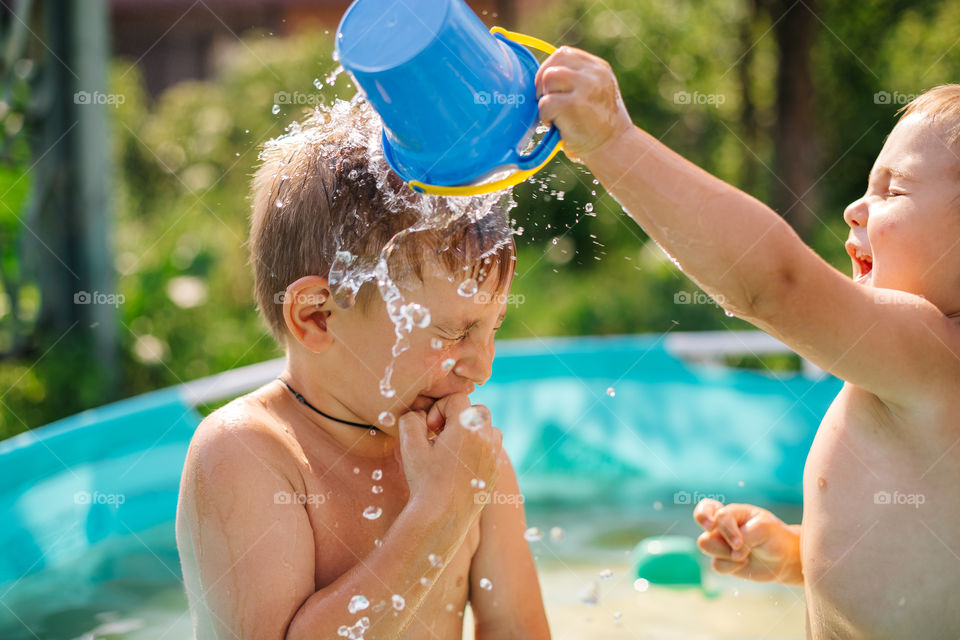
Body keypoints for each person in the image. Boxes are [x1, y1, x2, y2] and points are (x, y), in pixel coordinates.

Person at [536, 47, 960, 638]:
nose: (854, 208)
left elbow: (774, 284)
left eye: (892, 190)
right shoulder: (908, 368)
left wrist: (613, 145)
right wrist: (794, 555)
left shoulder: (936, 355)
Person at [175, 104, 551, 640]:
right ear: (317, 316)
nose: (481, 367)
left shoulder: (468, 459)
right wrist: (439, 514)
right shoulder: (250, 454)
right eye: (449, 334)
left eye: (492, 327)